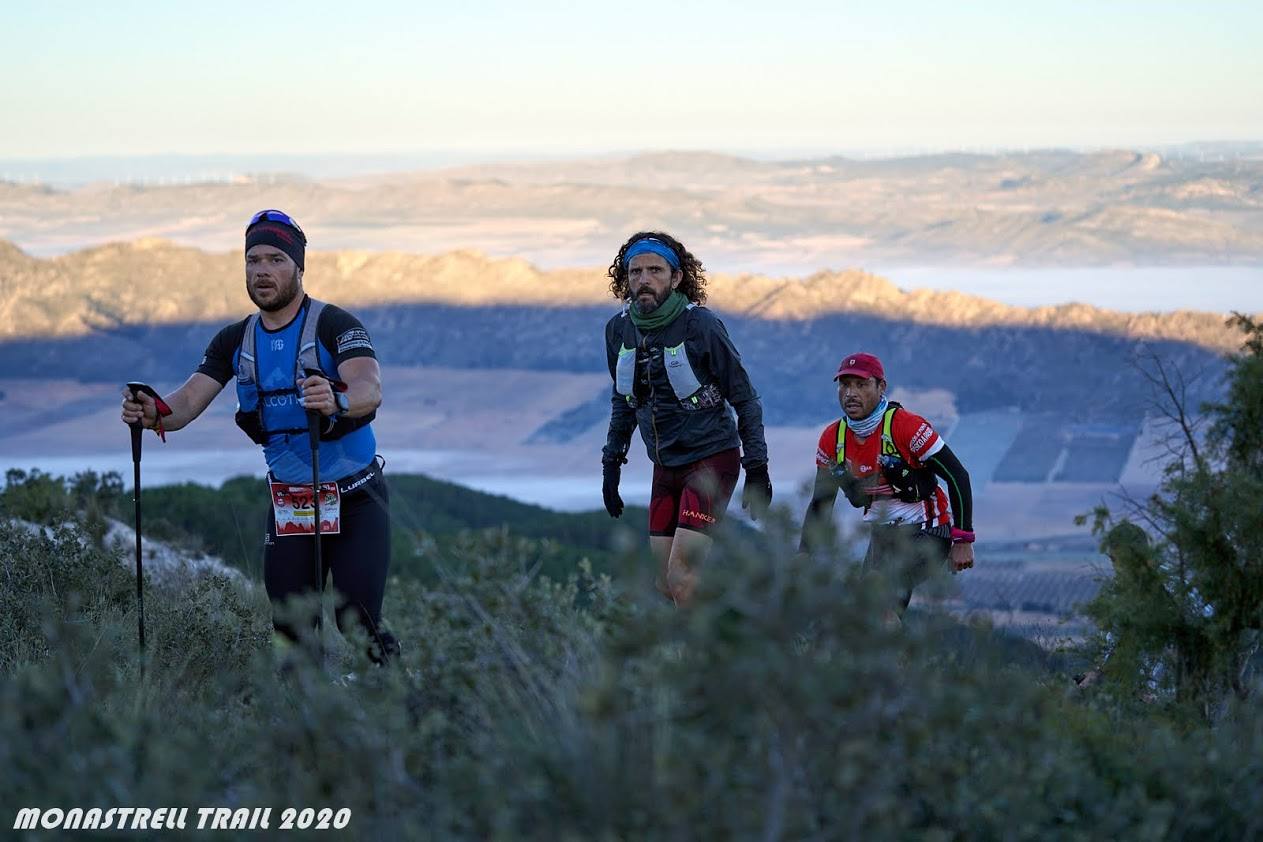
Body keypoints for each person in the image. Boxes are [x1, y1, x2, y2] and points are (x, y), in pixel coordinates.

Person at [120, 209, 399, 664]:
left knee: (360, 624)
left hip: (356, 498)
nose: (262, 271)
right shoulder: (234, 340)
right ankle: (301, 725)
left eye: (275, 259)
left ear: (299, 267)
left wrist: (337, 400)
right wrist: (151, 411)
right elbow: (184, 405)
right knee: (290, 631)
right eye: (253, 261)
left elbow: (369, 388)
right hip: (292, 503)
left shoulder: (335, 325)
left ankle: (405, 704)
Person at [600, 231, 772, 605]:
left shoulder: (700, 326)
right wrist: (611, 463)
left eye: (655, 271)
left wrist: (757, 466)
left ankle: (704, 661)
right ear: (625, 279)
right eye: (635, 272)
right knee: (666, 583)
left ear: (677, 278)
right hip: (665, 465)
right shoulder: (618, 330)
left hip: (712, 458)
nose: (644, 280)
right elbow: (623, 397)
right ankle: (731, 628)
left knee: (682, 576)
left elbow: (744, 396)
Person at [799, 352, 974, 615]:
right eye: (845, 385)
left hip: (928, 532)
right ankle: (898, 656)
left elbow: (958, 476)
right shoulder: (833, 439)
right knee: (866, 618)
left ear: (881, 388)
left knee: (876, 594)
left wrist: (963, 540)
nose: (850, 393)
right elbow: (821, 502)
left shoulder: (906, 427)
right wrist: (805, 554)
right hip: (882, 537)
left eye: (861, 384)